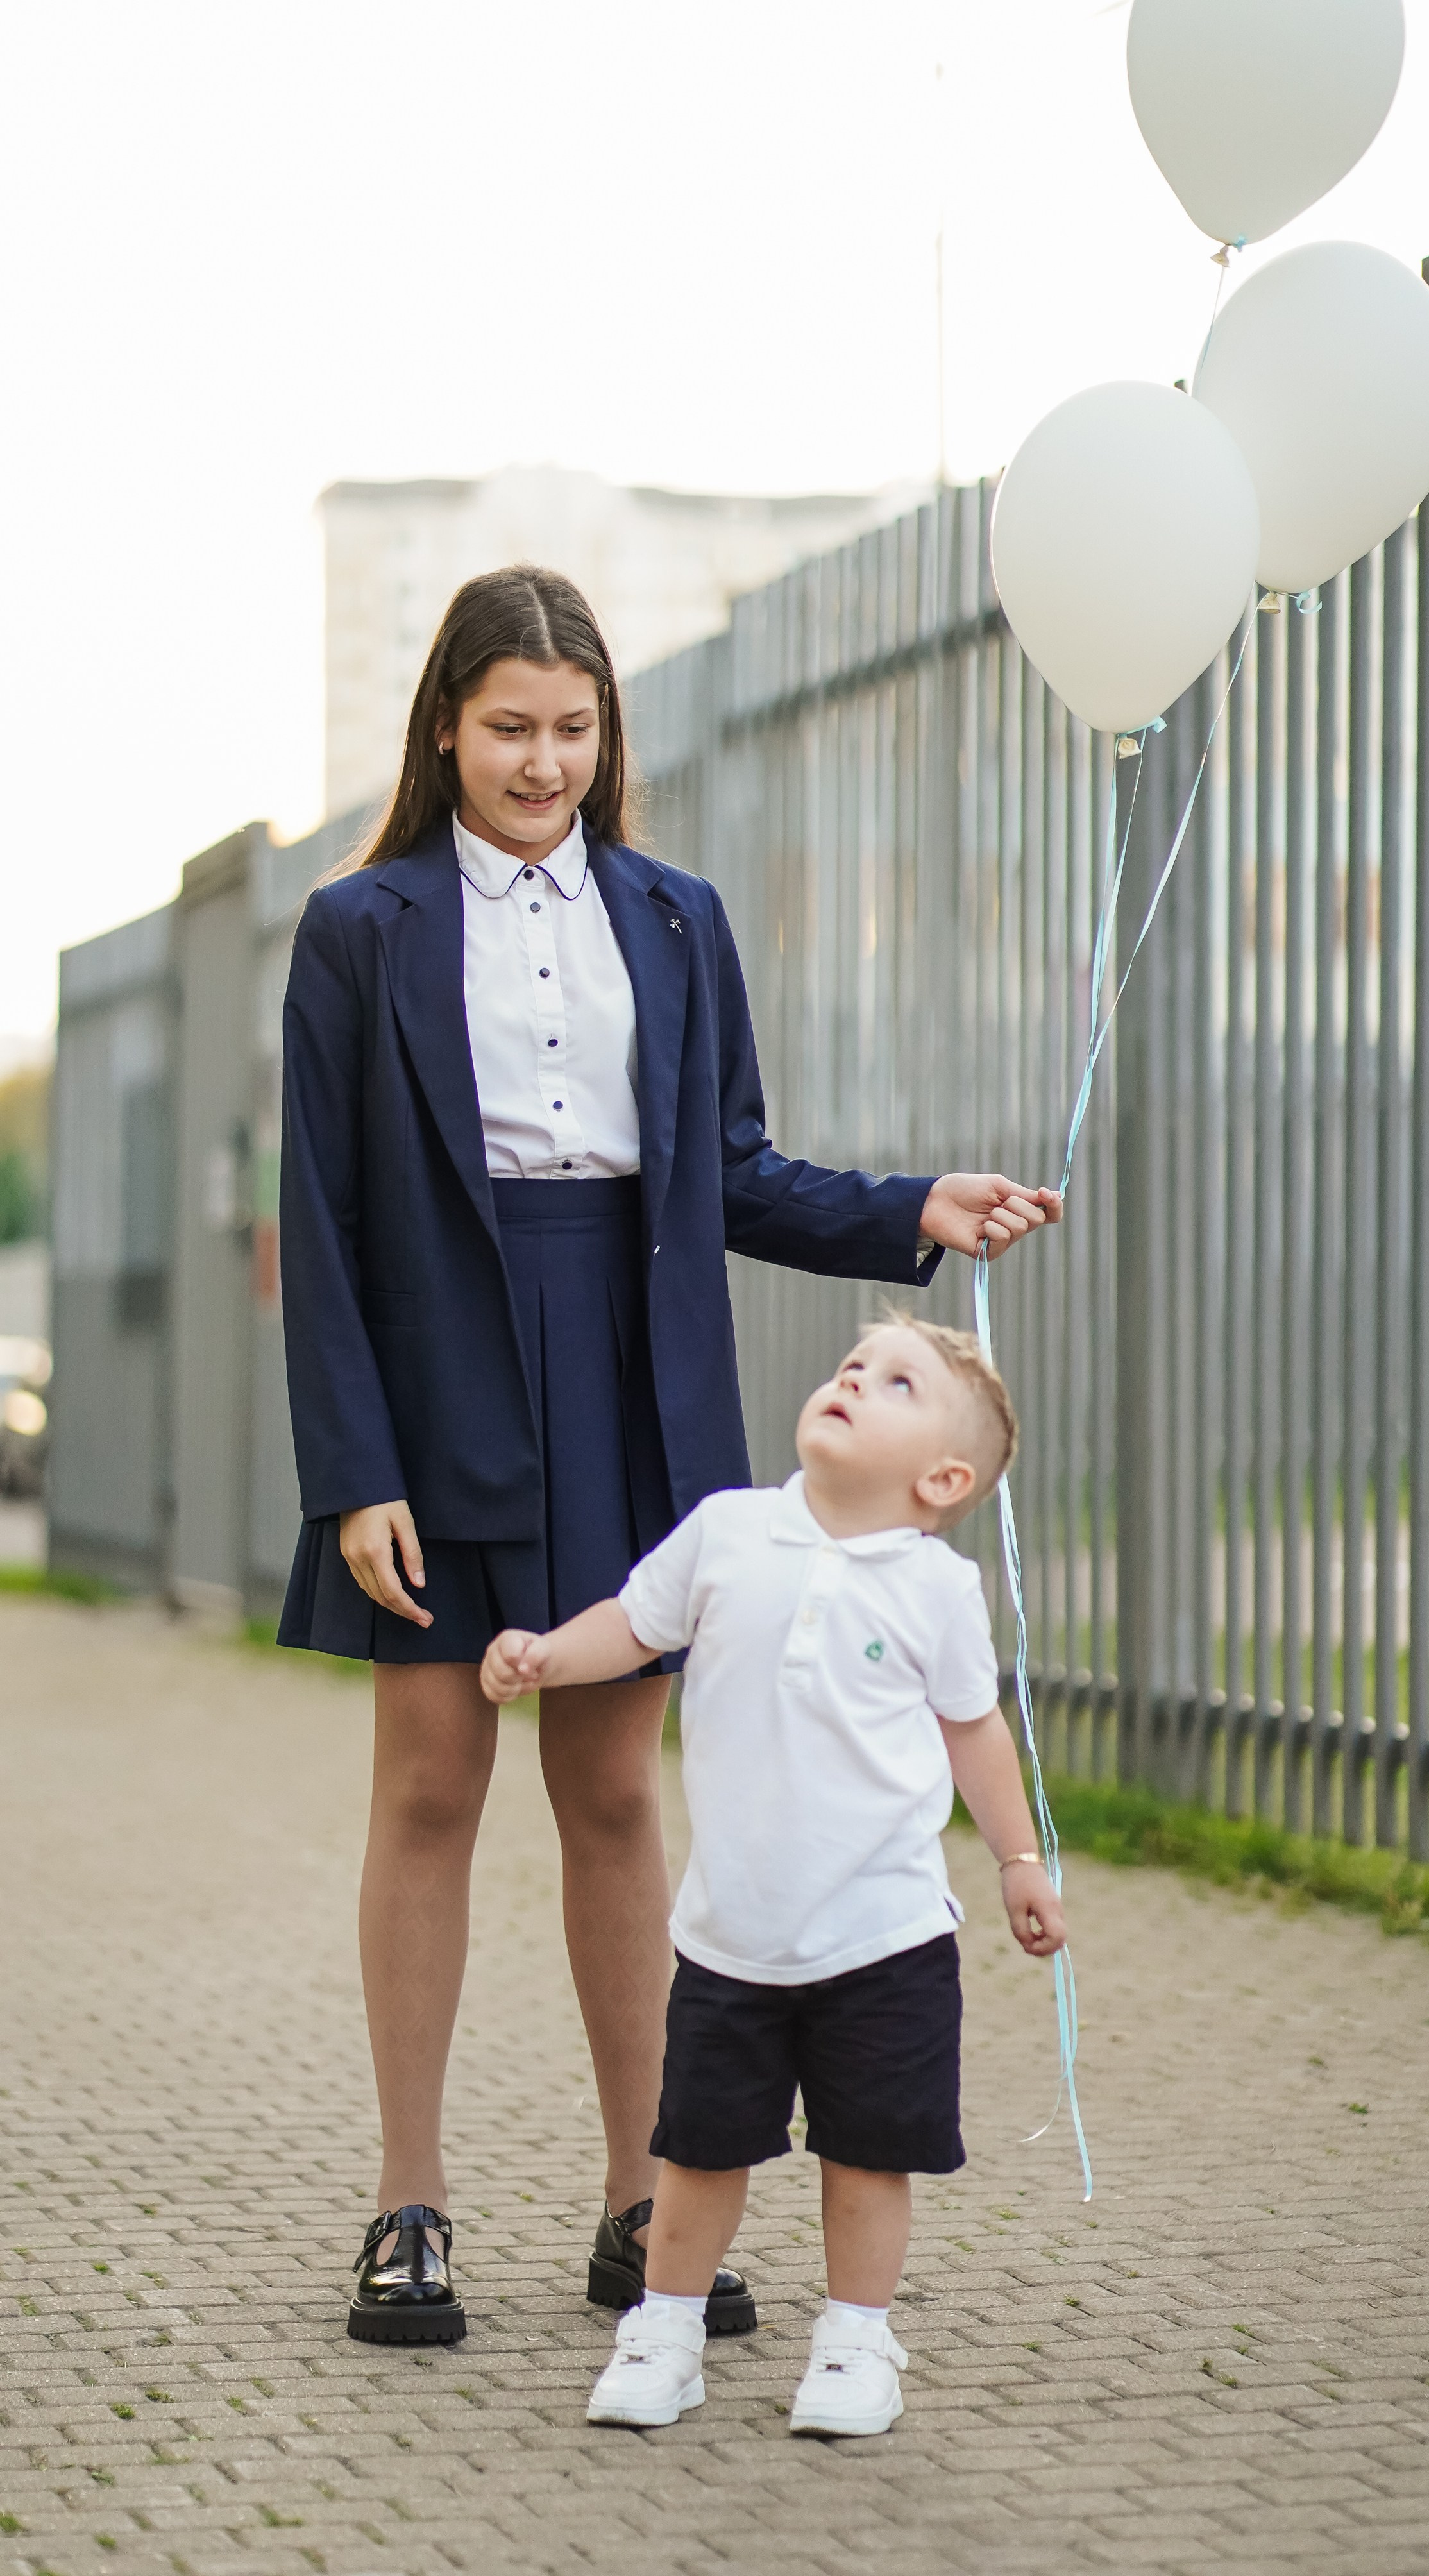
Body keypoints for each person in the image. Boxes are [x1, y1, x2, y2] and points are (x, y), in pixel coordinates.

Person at [277, 563, 1061, 2346]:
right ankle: (411, 2202)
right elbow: (318, 1220)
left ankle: (645, 2207)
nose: (542, 763)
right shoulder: (358, 927)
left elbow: (731, 1166)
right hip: (435, 1372)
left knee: (619, 1794)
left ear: (605, 732)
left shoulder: (682, 919)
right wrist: (352, 1467)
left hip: (633, 1375)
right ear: (445, 730)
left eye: (571, 729)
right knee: (424, 1788)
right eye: (506, 730)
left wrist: (907, 1208)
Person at [480, 1313, 1069, 2436]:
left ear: (943, 1477)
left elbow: (975, 1732)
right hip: (728, 1939)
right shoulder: (728, 1532)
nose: (853, 1376)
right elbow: (633, 1622)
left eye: (895, 1381)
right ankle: (665, 2327)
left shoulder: (935, 1587)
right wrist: (553, 1655)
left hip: (885, 1941)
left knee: (866, 2155)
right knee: (696, 2151)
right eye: (854, 1363)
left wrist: (1019, 1857)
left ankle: (855, 2342)